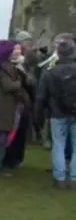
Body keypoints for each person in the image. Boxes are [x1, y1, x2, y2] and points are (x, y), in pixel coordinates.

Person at [35, 38, 76, 188]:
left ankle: (59, 178)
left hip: (57, 112)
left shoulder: (50, 72)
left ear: (58, 53)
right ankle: (74, 178)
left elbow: (41, 96)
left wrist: (38, 114)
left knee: (58, 144)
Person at [0, 41, 30, 175]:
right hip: (1, 106)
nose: (19, 51)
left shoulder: (2, 66)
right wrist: (20, 80)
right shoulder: (3, 67)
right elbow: (9, 86)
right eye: (15, 49)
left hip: (1, 105)